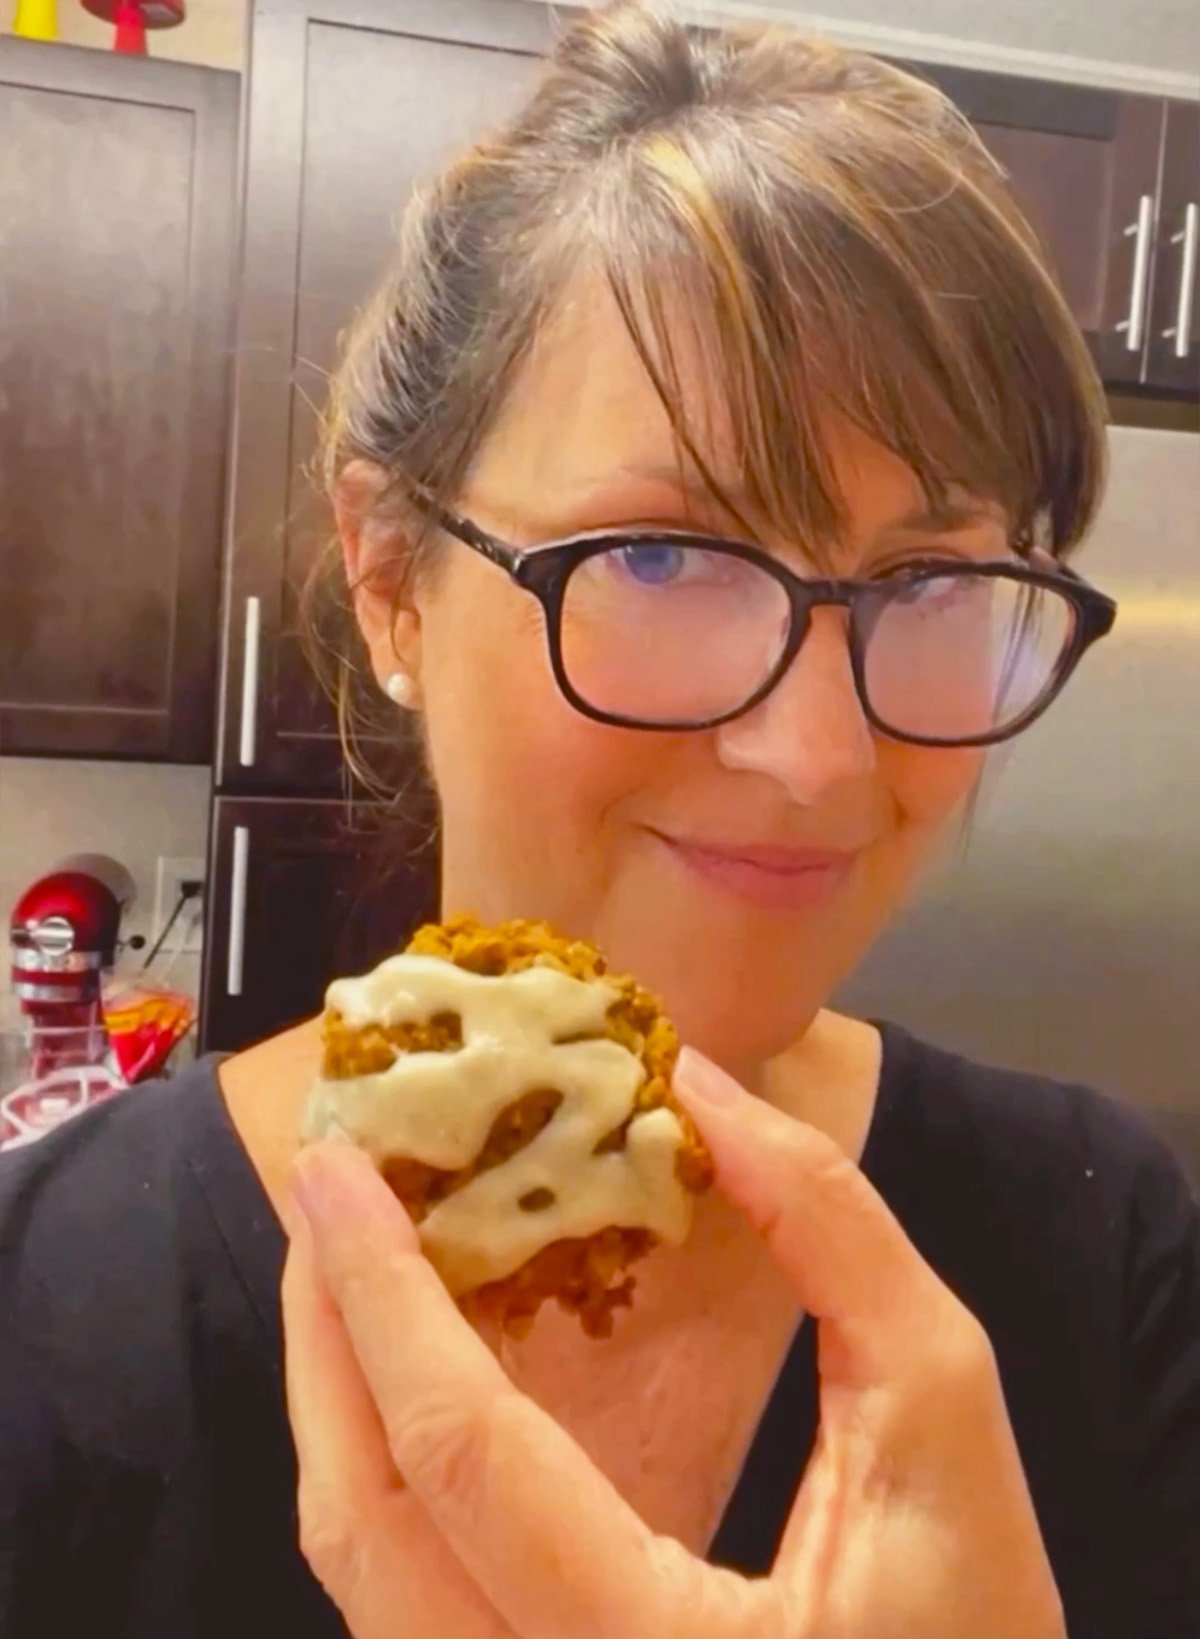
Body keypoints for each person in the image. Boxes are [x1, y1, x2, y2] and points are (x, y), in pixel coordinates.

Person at [1, 4, 1196, 1637]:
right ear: (388, 580)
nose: (820, 755)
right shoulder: (39, 1315)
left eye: (928, 581)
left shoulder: (1116, 1244)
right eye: (658, 556)